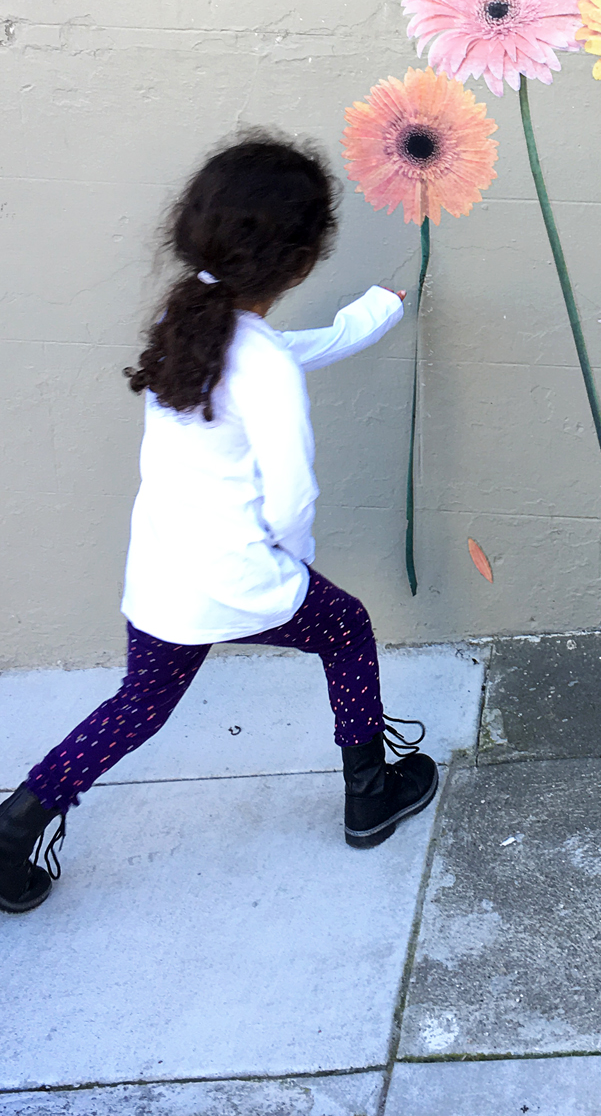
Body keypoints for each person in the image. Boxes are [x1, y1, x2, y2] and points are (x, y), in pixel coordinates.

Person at [0, 133, 437, 915]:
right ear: (302, 261)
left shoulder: (187, 314)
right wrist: (293, 572)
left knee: (138, 706)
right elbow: (293, 493)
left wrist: (371, 316)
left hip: (167, 574)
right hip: (242, 575)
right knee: (347, 627)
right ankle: (370, 794)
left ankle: (12, 828)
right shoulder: (257, 360)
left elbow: (277, 354)